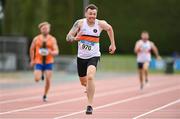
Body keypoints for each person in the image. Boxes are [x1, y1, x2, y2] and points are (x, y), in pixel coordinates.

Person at [66, 4, 116, 114]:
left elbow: (110, 28)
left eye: (94, 14)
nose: (92, 16)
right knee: (84, 82)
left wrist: (112, 44)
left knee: (90, 77)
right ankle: (89, 87)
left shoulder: (100, 23)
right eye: (90, 14)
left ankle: (89, 106)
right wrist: (75, 38)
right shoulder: (79, 23)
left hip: (94, 56)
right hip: (81, 57)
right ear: (86, 14)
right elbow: (68, 37)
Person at [30, 22, 59, 101]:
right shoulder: (36, 39)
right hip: (38, 61)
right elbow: (32, 49)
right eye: (43, 28)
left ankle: (45, 95)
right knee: (36, 79)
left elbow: (56, 51)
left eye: (47, 28)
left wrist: (51, 52)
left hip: (48, 61)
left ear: (49, 29)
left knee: (48, 80)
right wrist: (32, 59)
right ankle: (41, 72)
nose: (45, 30)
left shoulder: (52, 39)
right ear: (40, 30)